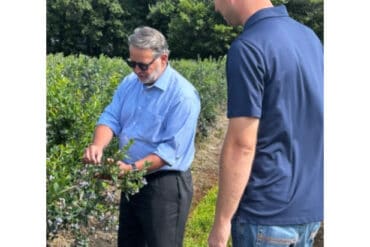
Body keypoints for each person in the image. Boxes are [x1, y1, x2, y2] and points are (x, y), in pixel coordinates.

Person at [208, 1, 323, 247]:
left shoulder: (248, 47)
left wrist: (221, 222)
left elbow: (242, 144)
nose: (216, 8)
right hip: (310, 211)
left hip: (265, 214)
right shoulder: (310, 38)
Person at [83, 26, 201, 247]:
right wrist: (97, 145)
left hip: (164, 184)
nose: (137, 70)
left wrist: (130, 170)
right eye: (132, 63)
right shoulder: (130, 83)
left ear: (163, 58)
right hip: (132, 179)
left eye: (143, 65)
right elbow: (111, 117)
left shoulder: (183, 96)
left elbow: (170, 152)